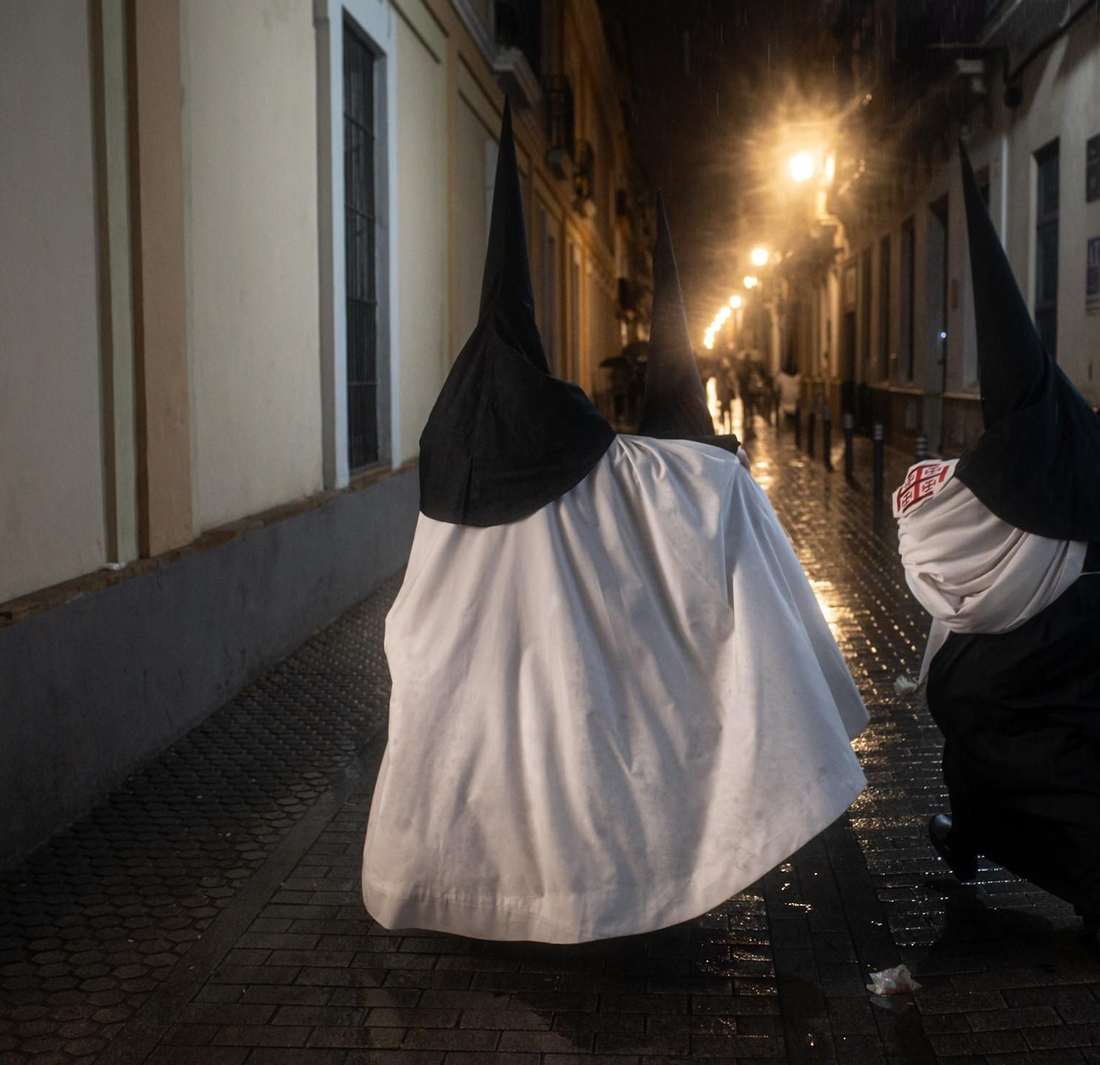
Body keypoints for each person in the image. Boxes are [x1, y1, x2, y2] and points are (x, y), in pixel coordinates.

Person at [361, 113, 868, 944]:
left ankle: (444, 890)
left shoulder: (448, 430)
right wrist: (712, 470)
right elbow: (637, 483)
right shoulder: (560, 426)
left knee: (460, 756)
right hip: (543, 662)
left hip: (461, 656)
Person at [892, 145, 1100, 967]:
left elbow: (941, 542)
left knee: (976, 722)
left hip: (1031, 648)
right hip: (1098, 638)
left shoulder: (997, 463)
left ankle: (971, 840)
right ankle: (1098, 906)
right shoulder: (1076, 436)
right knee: (1091, 771)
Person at [776, 362, 800, 432]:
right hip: (794, 403)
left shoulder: (781, 377)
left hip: (786, 403)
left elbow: (778, 390)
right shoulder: (799, 377)